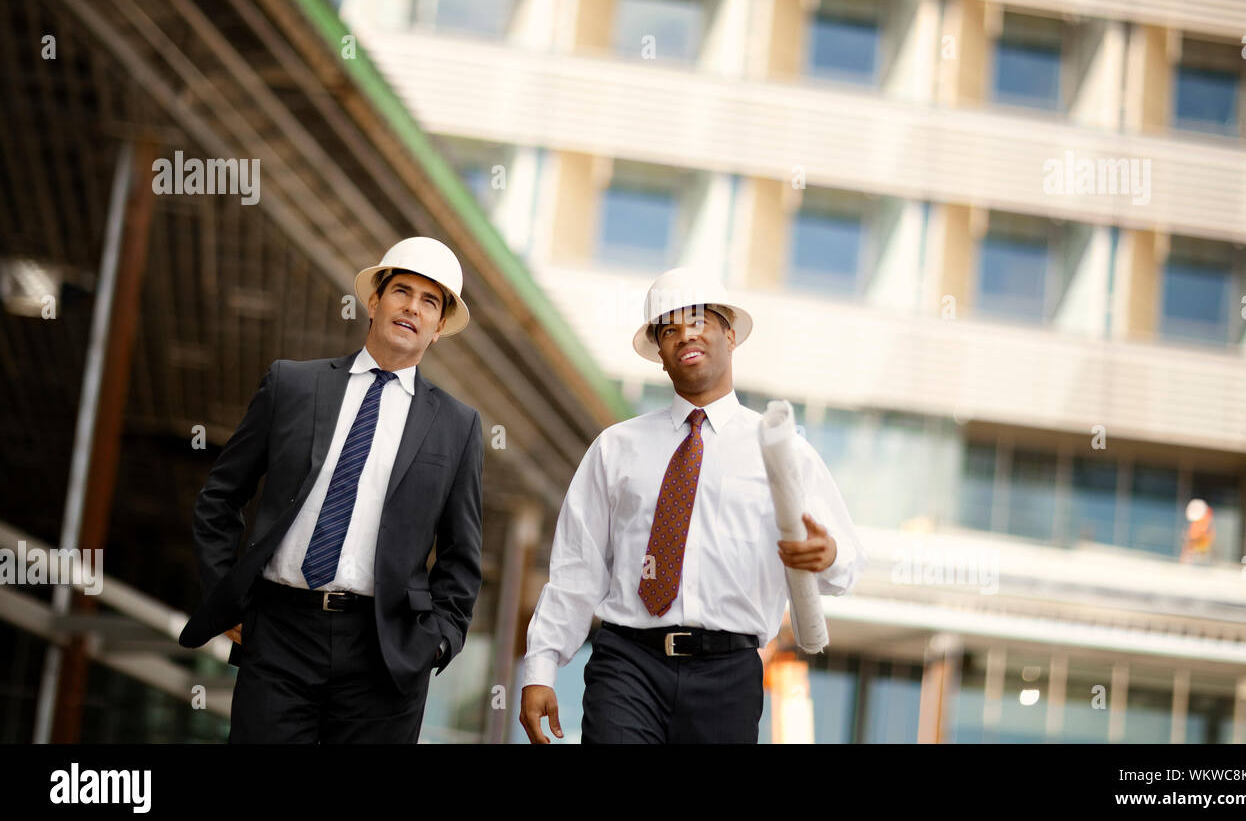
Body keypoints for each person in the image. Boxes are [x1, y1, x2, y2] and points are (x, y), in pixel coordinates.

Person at [519, 267, 865, 744]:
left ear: (730, 333)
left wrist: (827, 556)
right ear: (660, 355)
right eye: (669, 329)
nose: (685, 335)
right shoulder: (615, 447)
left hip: (728, 675)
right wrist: (540, 667)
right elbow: (578, 568)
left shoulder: (782, 451)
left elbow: (843, 566)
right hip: (627, 664)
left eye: (699, 320)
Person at [179, 237, 484, 743]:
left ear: (438, 330)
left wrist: (438, 642)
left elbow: (461, 555)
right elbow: (220, 496)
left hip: (387, 650)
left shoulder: (458, 426)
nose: (412, 306)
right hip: (279, 633)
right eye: (401, 291)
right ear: (373, 303)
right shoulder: (292, 385)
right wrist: (225, 596)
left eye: (430, 301)